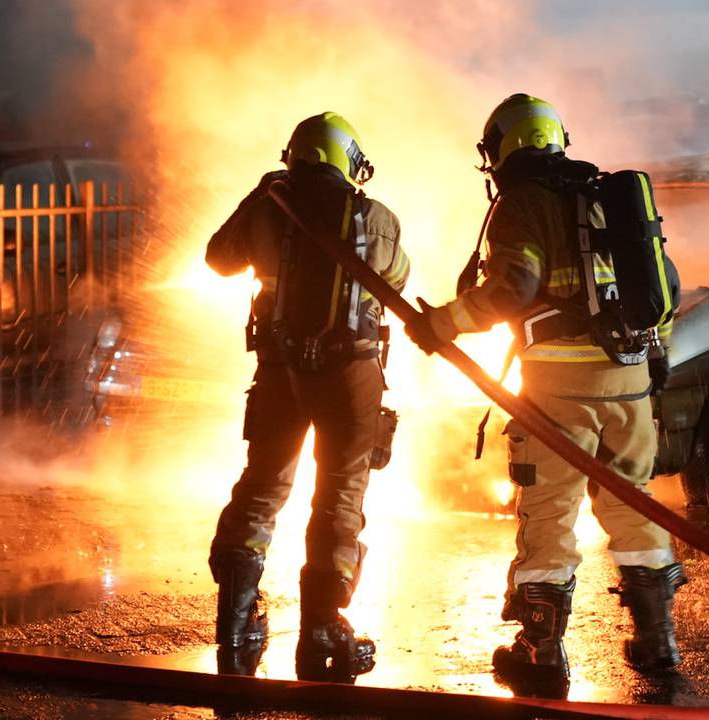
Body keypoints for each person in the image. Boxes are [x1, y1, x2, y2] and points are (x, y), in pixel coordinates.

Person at [404, 94, 684, 695]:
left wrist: (442, 324)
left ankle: (539, 650)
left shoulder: (520, 206)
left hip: (559, 386)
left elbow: (513, 287)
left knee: (550, 513)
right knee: (633, 505)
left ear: (500, 149)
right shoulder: (609, 197)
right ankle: (658, 641)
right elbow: (662, 284)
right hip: (631, 377)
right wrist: (655, 355)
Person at [205, 112, 410, 682]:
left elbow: (218, 258)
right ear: (350, 161)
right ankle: (322, 626)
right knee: (341, 491)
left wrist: (259, 199)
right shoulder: (378, 218)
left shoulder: (267, 204)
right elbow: (397, 277)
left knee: (262, 485)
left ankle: (237, 619)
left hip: (278, 370)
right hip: (349, 374)